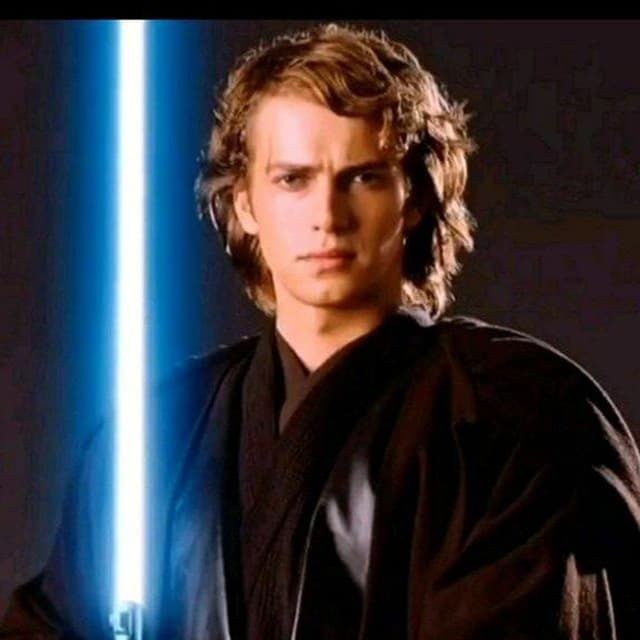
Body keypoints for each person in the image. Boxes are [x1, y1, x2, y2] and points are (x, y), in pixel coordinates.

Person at [2, 22, 640, 640]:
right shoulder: (160, 433)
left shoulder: (518, 414)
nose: (327, 216)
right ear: (245, 203)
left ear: (415, 198)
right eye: (293, 179)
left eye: (363, 177)